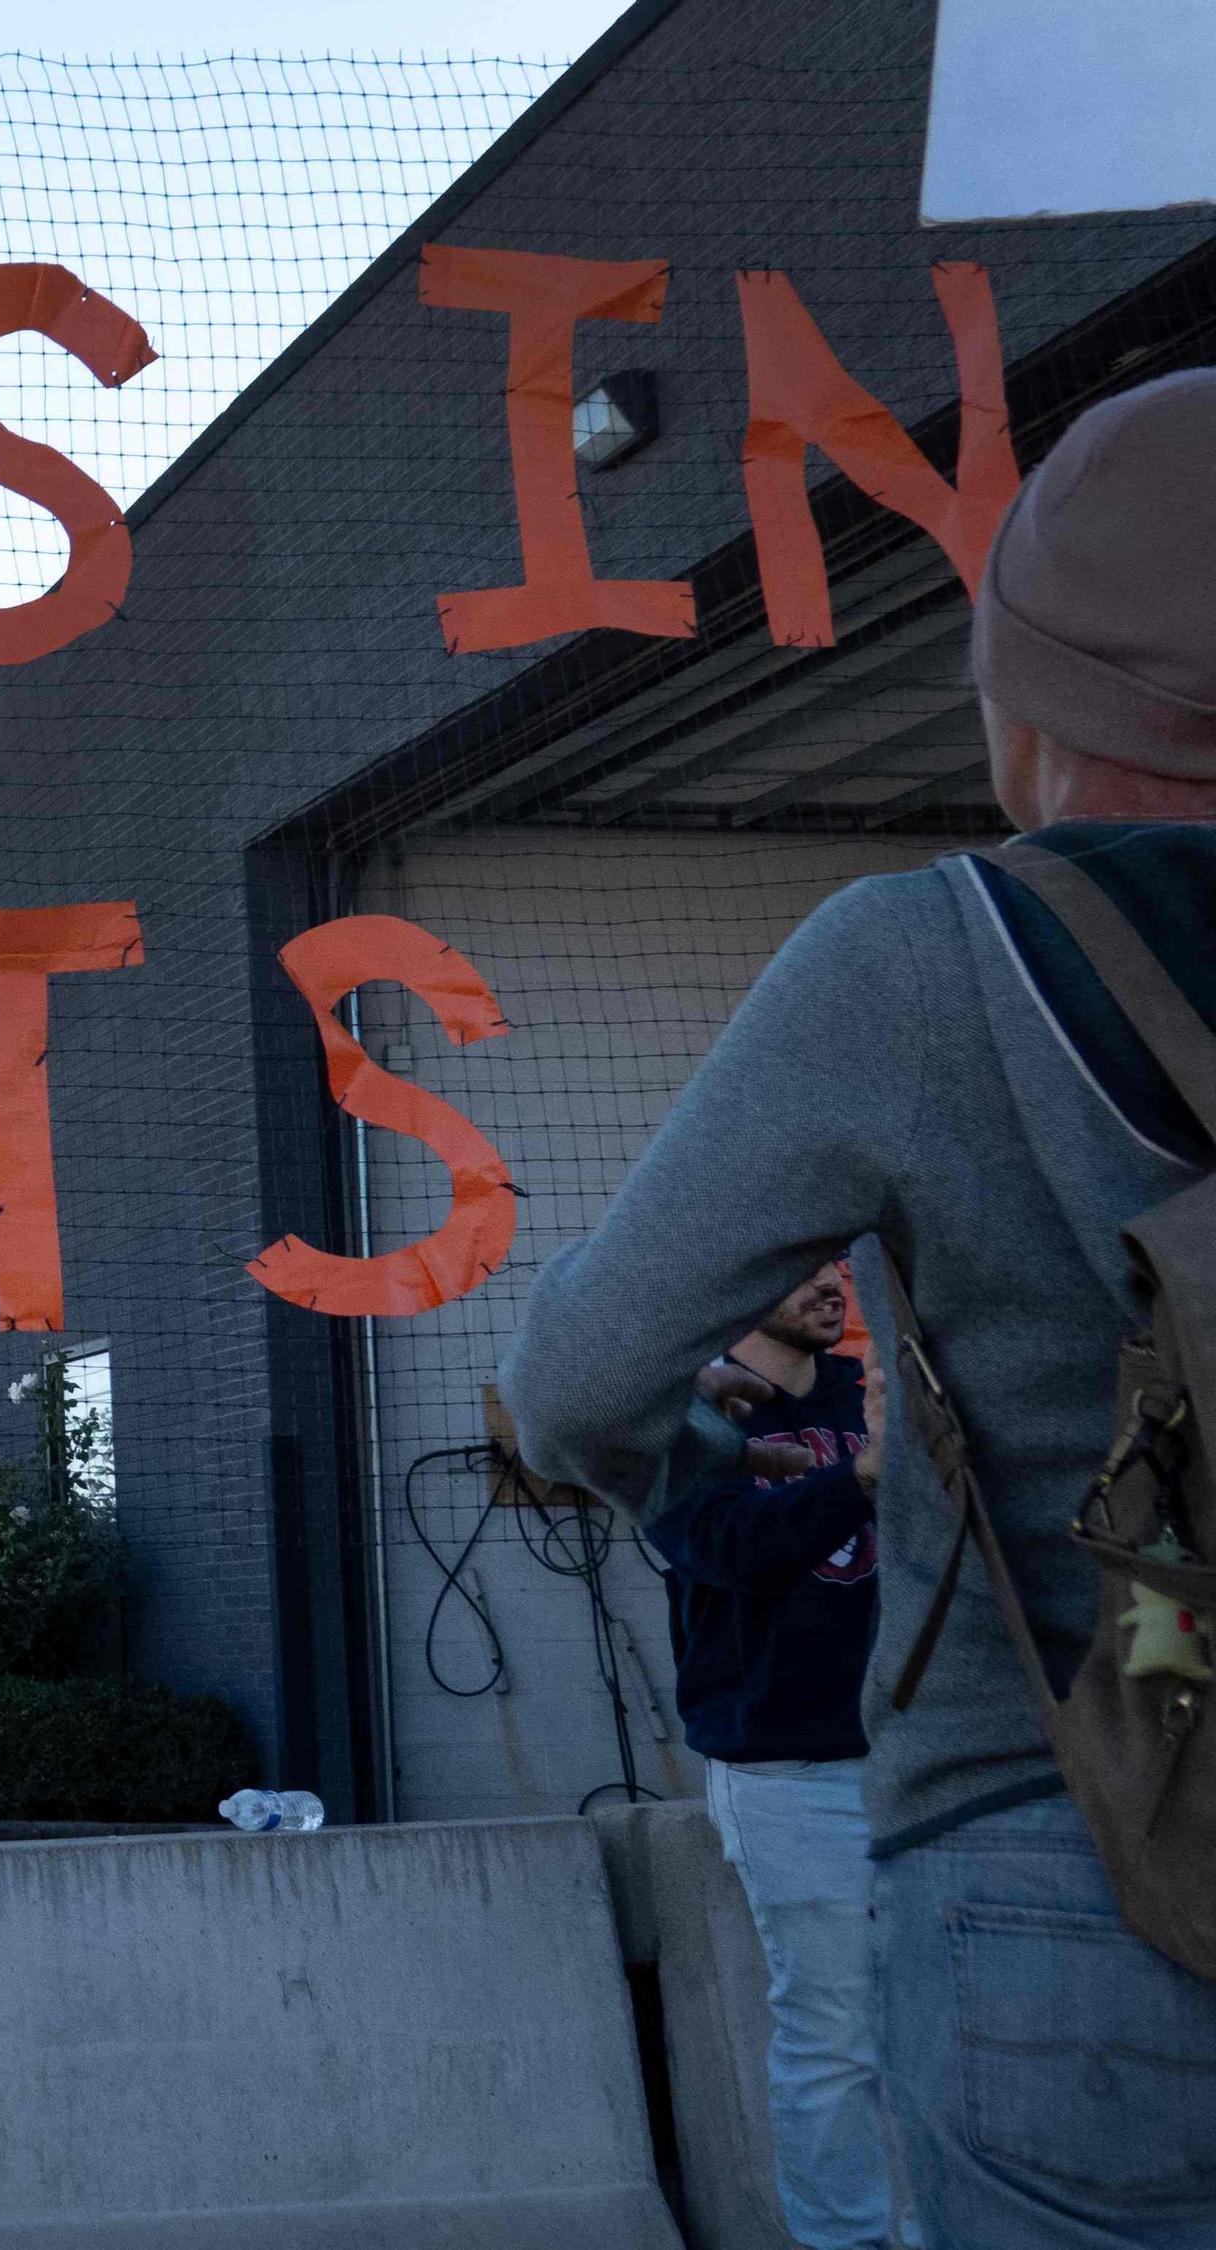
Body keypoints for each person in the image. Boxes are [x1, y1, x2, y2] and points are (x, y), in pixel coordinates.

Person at [502, 369, 1216, 2249]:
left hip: (1061, 1845)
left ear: (1027, 704)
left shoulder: (921, 960)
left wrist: (704, 1487)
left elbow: (575, 1379)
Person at [647, 1264, 900, 2250]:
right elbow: (727, 1550)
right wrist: (860, 1478)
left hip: (922, 1758)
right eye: (801, 1267)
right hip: (791, 1773)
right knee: (834, 2031)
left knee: (946, 2023)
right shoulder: (688, 1421)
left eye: (836, 1263)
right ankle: (845, 2241)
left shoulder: (870, 1399)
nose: (832, 1282)